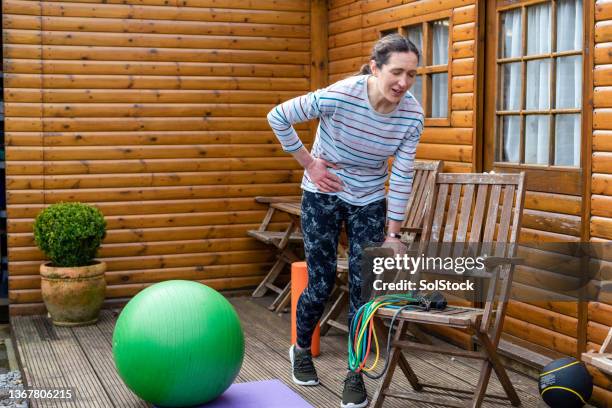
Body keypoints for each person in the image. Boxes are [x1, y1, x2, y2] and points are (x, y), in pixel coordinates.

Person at [266, 33, 422, 408]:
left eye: (413, 75)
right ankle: (301, 349)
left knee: (363, 290)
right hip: (323, 192)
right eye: (397, 72)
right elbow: (279, 116)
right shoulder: (341, 94)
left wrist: (394, 233)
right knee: (319, 282)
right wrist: (310, 163)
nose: (404, 82)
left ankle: (354, 374)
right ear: (375, 68)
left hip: (369, 199)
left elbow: (401, 175)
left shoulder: (412, 115)